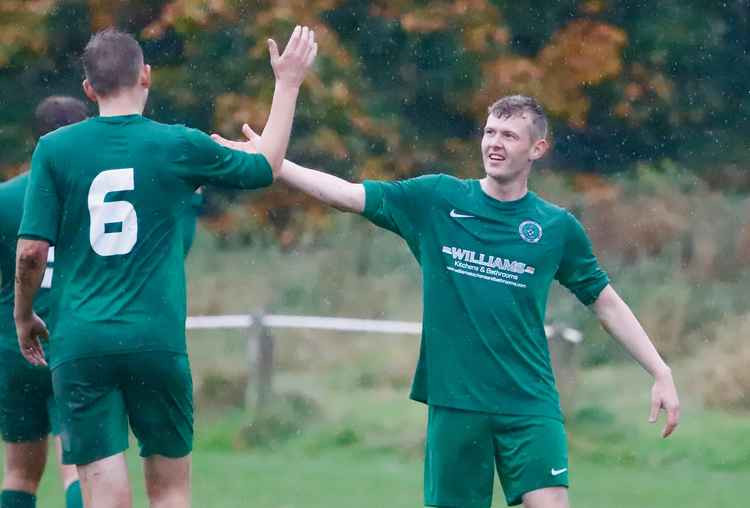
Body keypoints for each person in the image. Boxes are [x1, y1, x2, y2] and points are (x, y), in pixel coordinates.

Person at [212, 95, 681, 508]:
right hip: (457, 403)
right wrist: (275, 163)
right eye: (490, 131)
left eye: (510, 135)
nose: (495, 143)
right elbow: (346, 195)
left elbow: (606, 302)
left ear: (538, 149)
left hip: (529, 401)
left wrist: (659, 370)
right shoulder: (436, 198)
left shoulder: (556, 227)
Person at [14, 26, 316, 508]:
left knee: (102, 489)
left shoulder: (55, 149)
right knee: (171, 491)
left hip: (83, 340)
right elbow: (266, 165)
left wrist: (24, 315)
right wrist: (288, 83)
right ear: (146, 76)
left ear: (89, 89)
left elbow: (31, 252)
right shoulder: (177, 144)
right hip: (156, 338)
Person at [0, 96, 87, 508]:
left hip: (14, 347)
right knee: (80, 468)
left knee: (18, 472)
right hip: (74, 342)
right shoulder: (94, 197)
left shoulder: (6, 198)